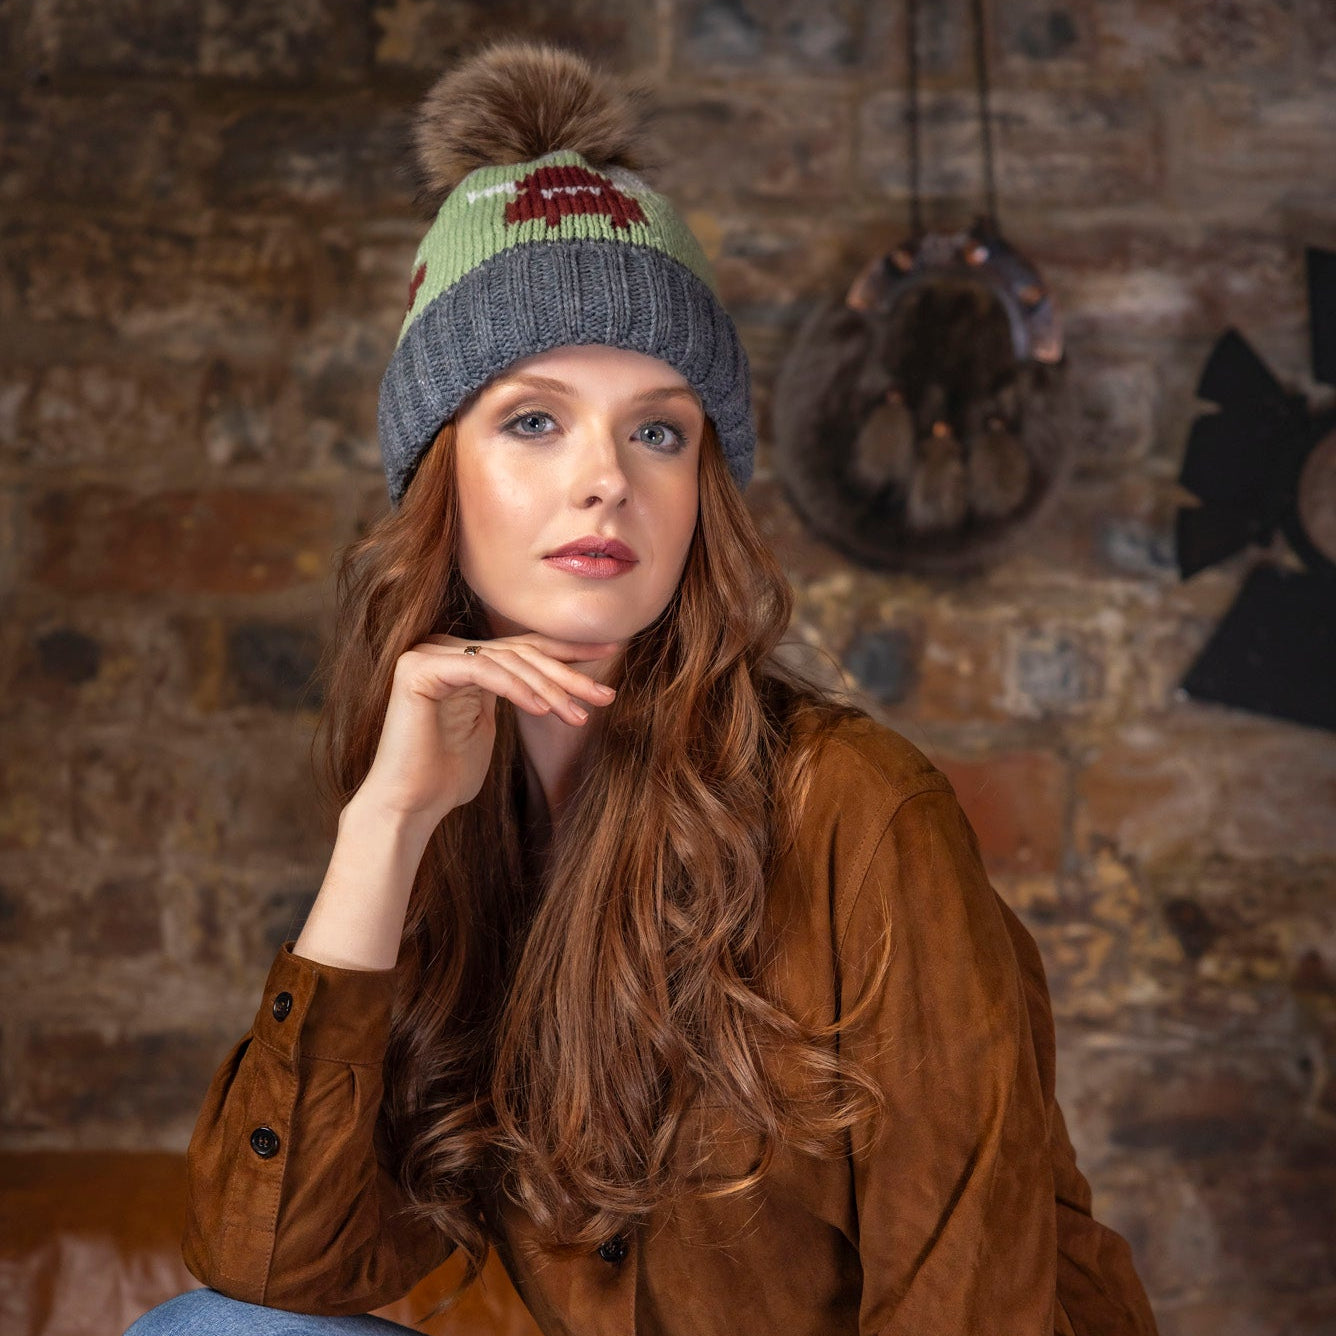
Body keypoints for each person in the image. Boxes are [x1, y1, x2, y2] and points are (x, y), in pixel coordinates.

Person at [128, 40, 1159, 1336]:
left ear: (698, 489)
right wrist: (385, 828)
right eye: (534, 420)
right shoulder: (458, 821)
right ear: (441, 477)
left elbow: (969, 1304)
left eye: (658, 430)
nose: (606, 478)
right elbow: (269, 1264)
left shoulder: (860, 813)